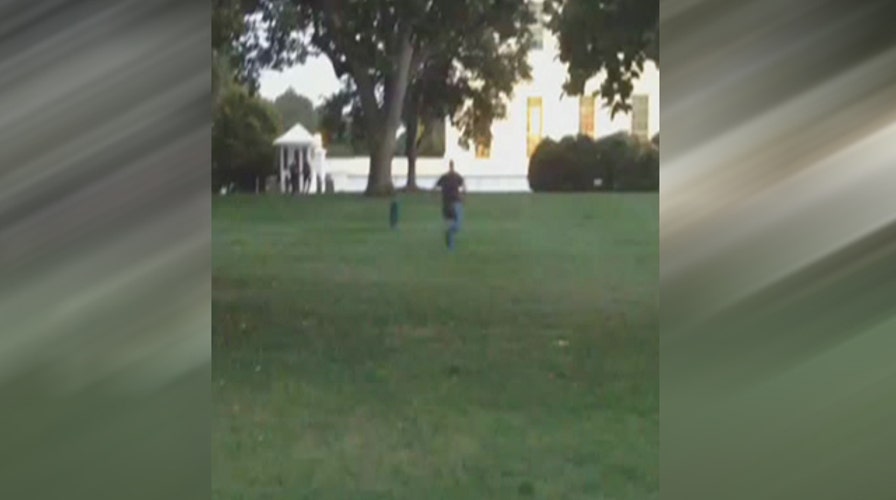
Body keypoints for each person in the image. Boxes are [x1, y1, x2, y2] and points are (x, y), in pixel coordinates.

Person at [434, 160, 465, 250]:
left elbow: (435, 187)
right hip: (453, 203)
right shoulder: (450, 177)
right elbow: (435, 187)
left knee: (451, 223)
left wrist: (464, 195)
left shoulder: (450, 177)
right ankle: (450, 242)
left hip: (448, 203)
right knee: (457, 225)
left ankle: (451, 246)